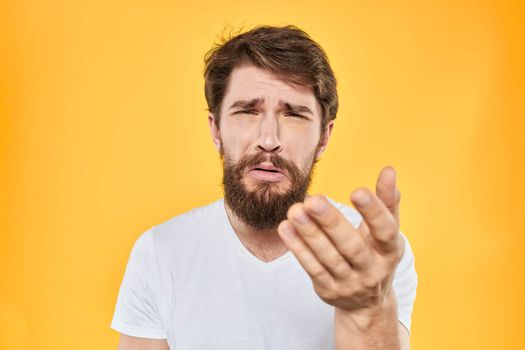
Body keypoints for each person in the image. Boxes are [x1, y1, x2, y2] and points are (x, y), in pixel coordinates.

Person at [111, 25, 418, 350]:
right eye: (247, 111)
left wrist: (367, 310)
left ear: (324, 138)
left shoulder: (370, 255)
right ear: (215, 129)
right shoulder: (160, 253)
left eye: (295, 115)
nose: (268, 140)